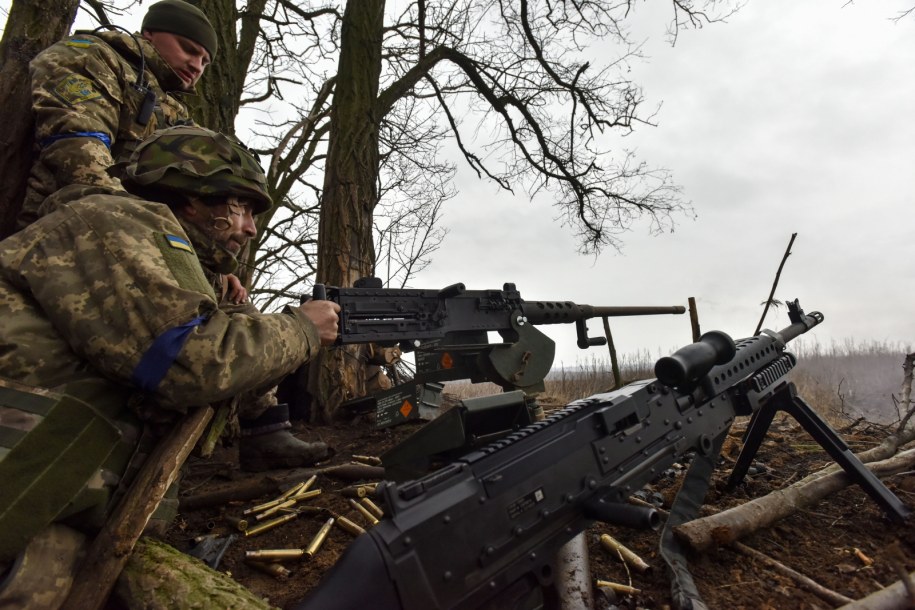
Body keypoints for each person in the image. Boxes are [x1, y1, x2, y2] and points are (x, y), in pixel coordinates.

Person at [0, 125, 340, 608]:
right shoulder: (110, 221)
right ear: (192, 197)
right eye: (241, 207)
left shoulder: (168, 258)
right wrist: (301, 329)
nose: (250, 227)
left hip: (47, 503)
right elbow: (189, 364)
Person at [18, 0, 217, 230]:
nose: (197, 67)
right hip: (56, 230)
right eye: (188, 49)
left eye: (204, 62)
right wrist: (150, 228)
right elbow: (79, 154)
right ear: (149, 33)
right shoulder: (92, 57)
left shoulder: (176, 112)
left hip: (129, 236)